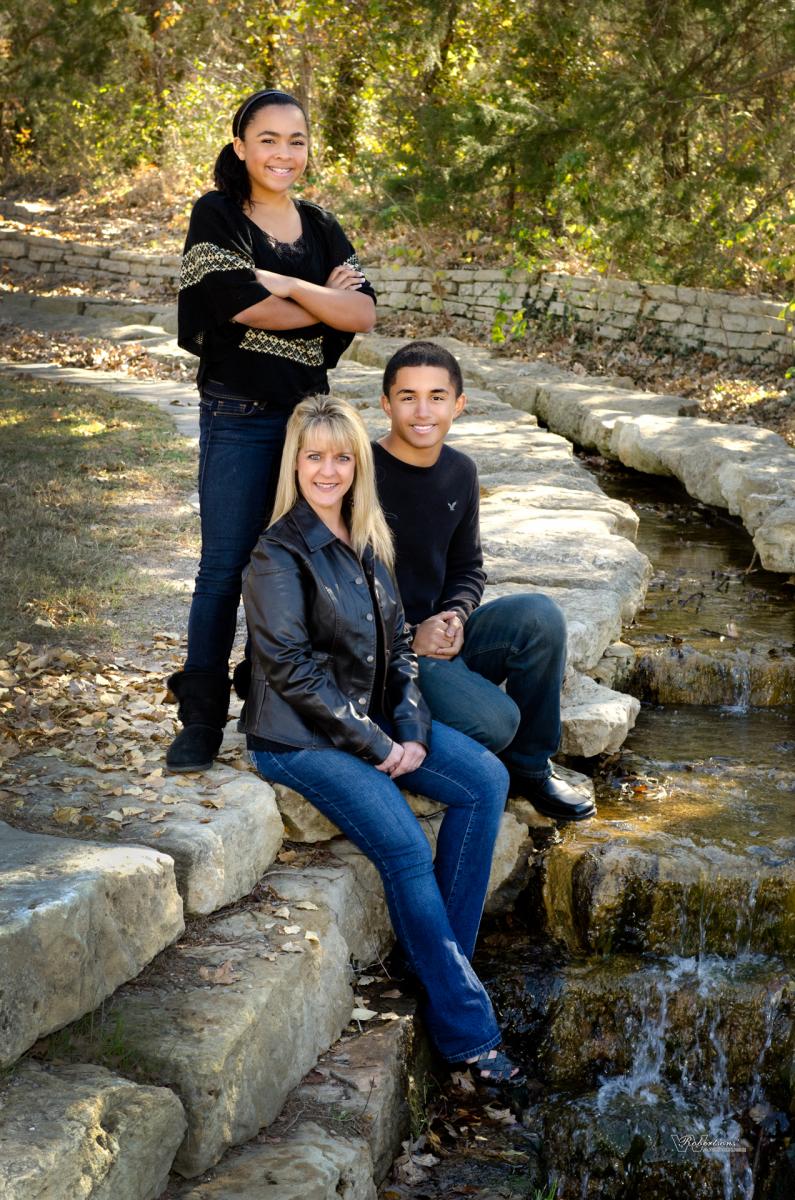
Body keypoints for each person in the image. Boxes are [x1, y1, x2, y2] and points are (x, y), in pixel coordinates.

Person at [243, 393, 523, 1086]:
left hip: (370, 726)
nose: (329, 470)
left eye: (342, 457)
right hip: (298, 738)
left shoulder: (368, 541)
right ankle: (468, 1033)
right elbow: (292, 671)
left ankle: (440, 963)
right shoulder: (276, 553)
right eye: (315, 457)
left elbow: (400, 648)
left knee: (484, 779)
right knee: (401, 842)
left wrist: (414, 731)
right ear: (295, 464)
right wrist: (378, 747)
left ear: (358, 466)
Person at [167, 88, 376, 772]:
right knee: (224, 569)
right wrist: (321, 300)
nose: (283, 153)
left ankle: (269, 703)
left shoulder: (319, 224)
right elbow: (241, 307)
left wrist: (284, 285)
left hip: (306, 428)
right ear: (240, 146)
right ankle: (200, 717)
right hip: (239, 416)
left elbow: (364, 314)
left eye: (296, 141)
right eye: (268, 139)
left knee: (293, 567)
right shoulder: (218, 214)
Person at [372, 341, 596, 822]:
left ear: (459, 404)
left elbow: (468, 567)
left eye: (437, 396)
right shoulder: (360, 474)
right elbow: (339, 592)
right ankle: (401, 725)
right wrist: (412, 636)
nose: (422, 410)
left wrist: (454, 614)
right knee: (497, 721)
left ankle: (531, 769)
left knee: (540, 616)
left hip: (441, 635)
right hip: (387, 654)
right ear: (386, 403)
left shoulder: (460, 471)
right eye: (407, 396)